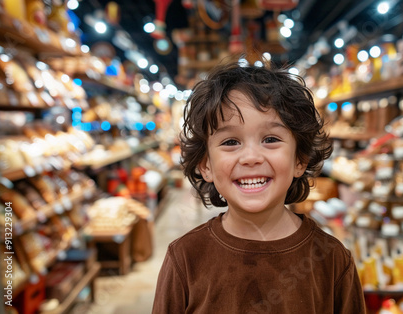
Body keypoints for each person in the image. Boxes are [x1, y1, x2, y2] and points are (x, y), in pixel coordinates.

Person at [152, 60, 366, 313]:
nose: (251, 157)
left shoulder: (332, 259)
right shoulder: (185, 258)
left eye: (271, 139)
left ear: (300, 160)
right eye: (231, 141)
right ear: (206, 165)